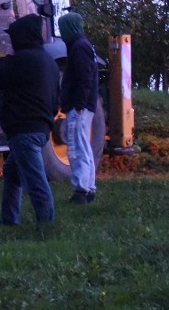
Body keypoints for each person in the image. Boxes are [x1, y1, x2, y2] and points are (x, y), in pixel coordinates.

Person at [0, 13, 59, 226]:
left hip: (23, 131)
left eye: (14, 37)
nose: (11, 42)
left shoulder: (20, 60)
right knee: (12, 173)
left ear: (22, 37)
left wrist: (6, 57)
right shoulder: (50, 63)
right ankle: (9, 220)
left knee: (35, 181)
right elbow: (57, 99)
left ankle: (47, 225)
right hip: (41, 129)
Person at [58, 11, 99, 205]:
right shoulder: (83, 46)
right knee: (84, 147)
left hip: (78, 107)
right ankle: (89, 188)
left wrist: (79, 104)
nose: (60, 31)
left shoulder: (79, 48)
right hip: (82, 106)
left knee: (76, 148)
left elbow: (85, 78)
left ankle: (81, 190)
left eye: (62, 27)